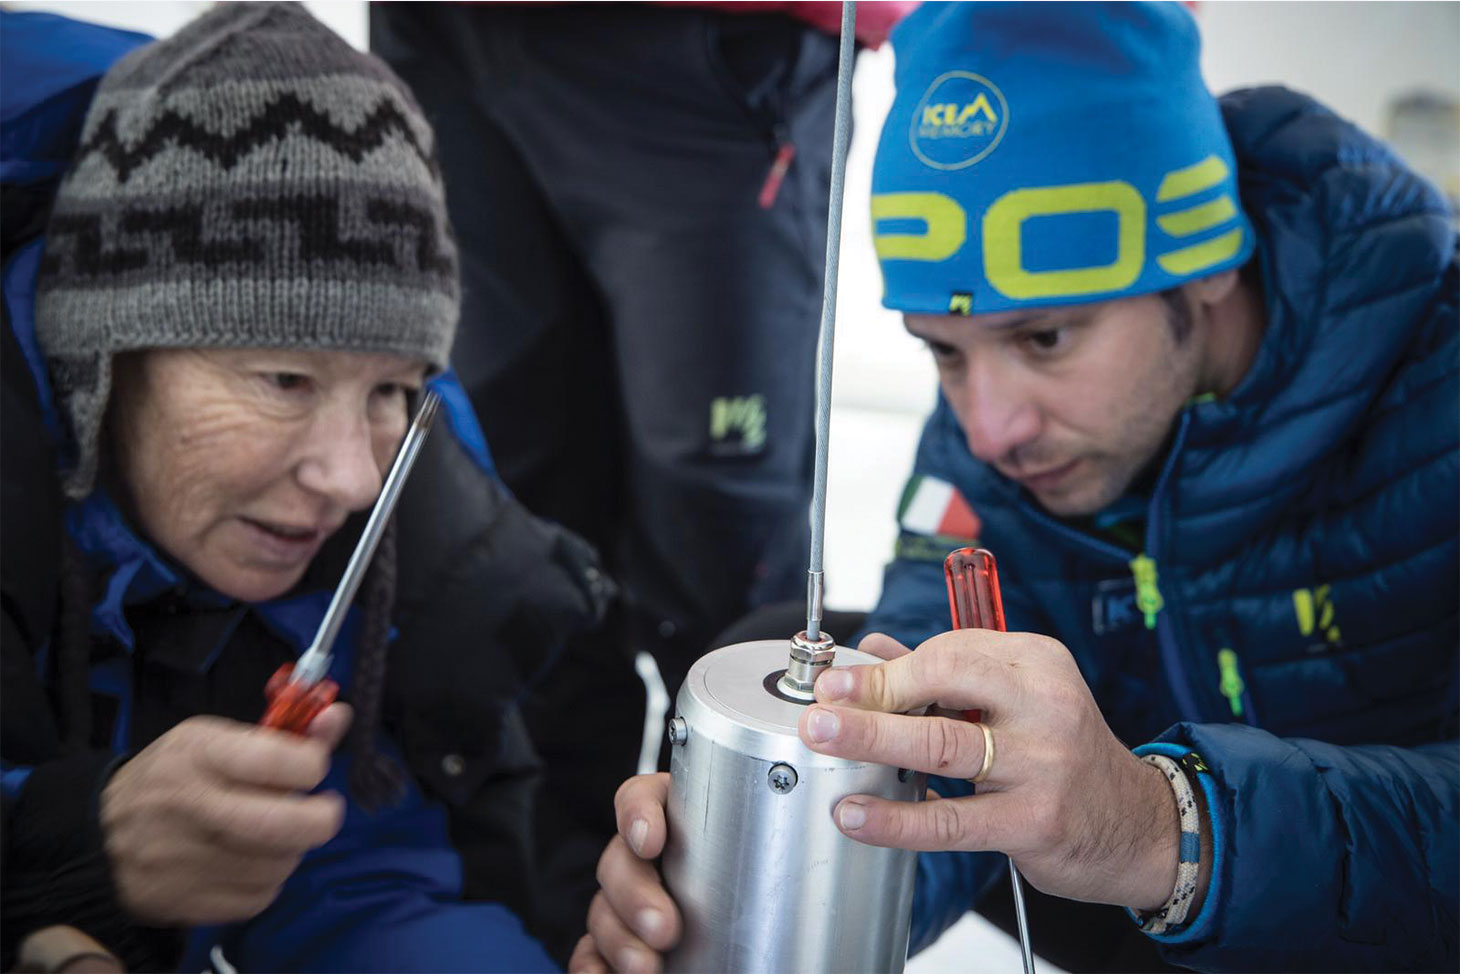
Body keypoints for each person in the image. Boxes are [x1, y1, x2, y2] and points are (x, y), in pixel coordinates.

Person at [573, 3, 1459, 971]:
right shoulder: (989, 436)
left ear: (1205, 265)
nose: (990, 427)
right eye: (943, 354)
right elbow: (932, 693)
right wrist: (776, 894)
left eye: (1043, 337)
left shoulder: (1435, 376)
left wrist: (1164, 827)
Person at [1, 5, 613, 971]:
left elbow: (362, 874)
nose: (352, 477)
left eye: (392, 390)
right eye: (283, 380)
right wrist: (55, 856)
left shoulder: (404, 547)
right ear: (98, 365)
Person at [368, 1, 913, 734]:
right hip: (444, 40)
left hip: (712, 53)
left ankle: (734, 836)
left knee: (717, 549)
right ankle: (564, 845)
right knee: (516, 519)